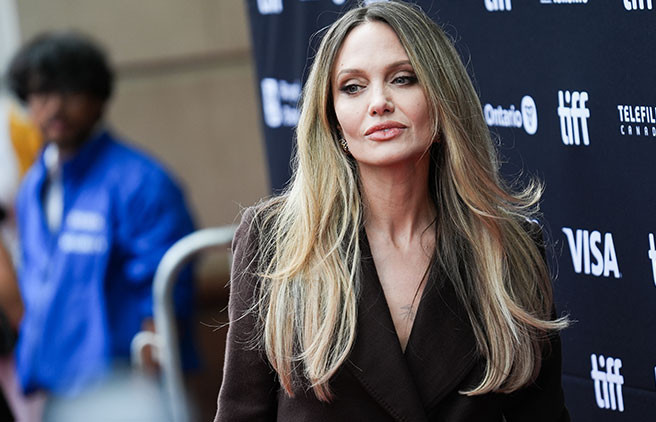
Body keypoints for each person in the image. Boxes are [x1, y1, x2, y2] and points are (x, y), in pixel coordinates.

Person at [216, 2, 569, 421]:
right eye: (352, 87)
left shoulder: (508, 247)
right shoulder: (274, 241)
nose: (379, 102)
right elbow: (242, 412)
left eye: (403, 79)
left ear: (442, 97)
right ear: (332, 119)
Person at [6, 31, 196, 406]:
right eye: (41, 94)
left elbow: (165, 295)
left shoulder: (141, 181)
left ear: (98, 99)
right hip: (56, 387)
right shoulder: (32, 187)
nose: (54, 108)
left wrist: (145, 391)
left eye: (70, 92)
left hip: (124, 390)